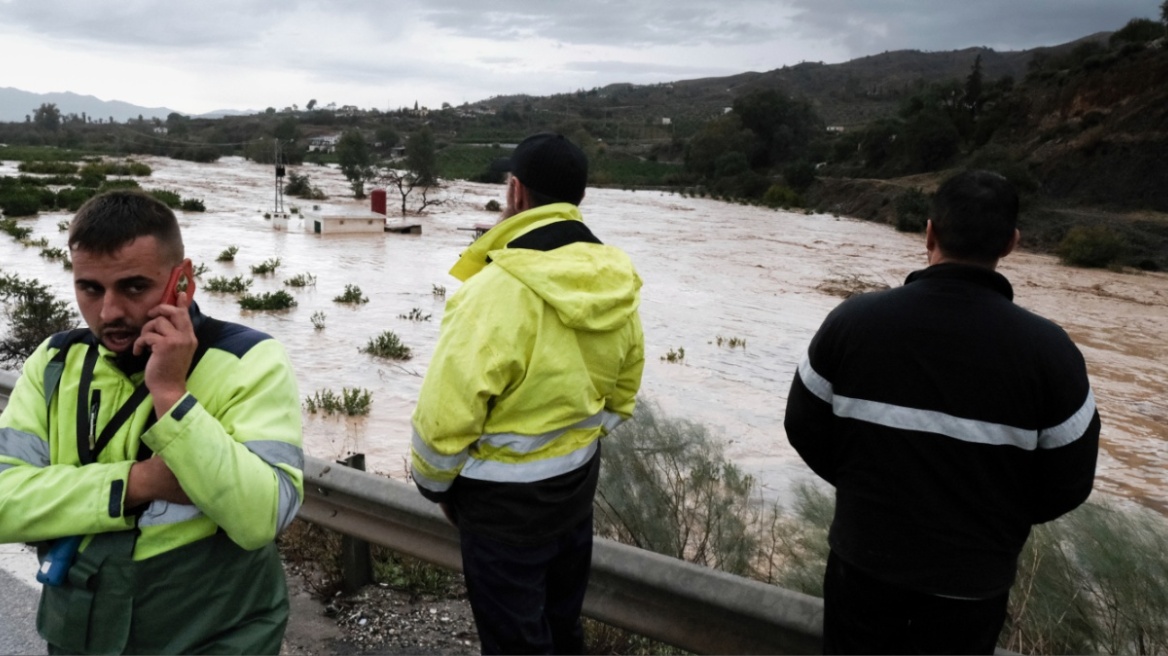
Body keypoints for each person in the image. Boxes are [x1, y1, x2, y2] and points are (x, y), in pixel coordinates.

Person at [784, 170, 1099, 655]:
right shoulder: (1051, 353)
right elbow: (1070, 481)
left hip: (863, 569)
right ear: (1012, 244)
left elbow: (803, 427)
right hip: (972, 586)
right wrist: (991, 520)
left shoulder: (854, 322)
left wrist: (866, 491)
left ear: (928, 233)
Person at [0, 190, 304, 654]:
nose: (109, 313)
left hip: (213, 632)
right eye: (90, 288)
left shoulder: (249, 359)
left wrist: (170, 395)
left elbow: (261, 517)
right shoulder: (56, 362)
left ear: (182, 281)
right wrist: (138, 483)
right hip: (82, 629)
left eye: (134, 287)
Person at [410, 132, 645, 654]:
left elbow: (445, 421)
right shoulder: (617, 277)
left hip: (501, 514)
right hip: (576, 493)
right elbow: (624, 391)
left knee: (516, 642)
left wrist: (439, 489)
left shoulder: (495, 290)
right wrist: (571, 447)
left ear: (515, 192)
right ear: (577, 198)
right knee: (564, 630)